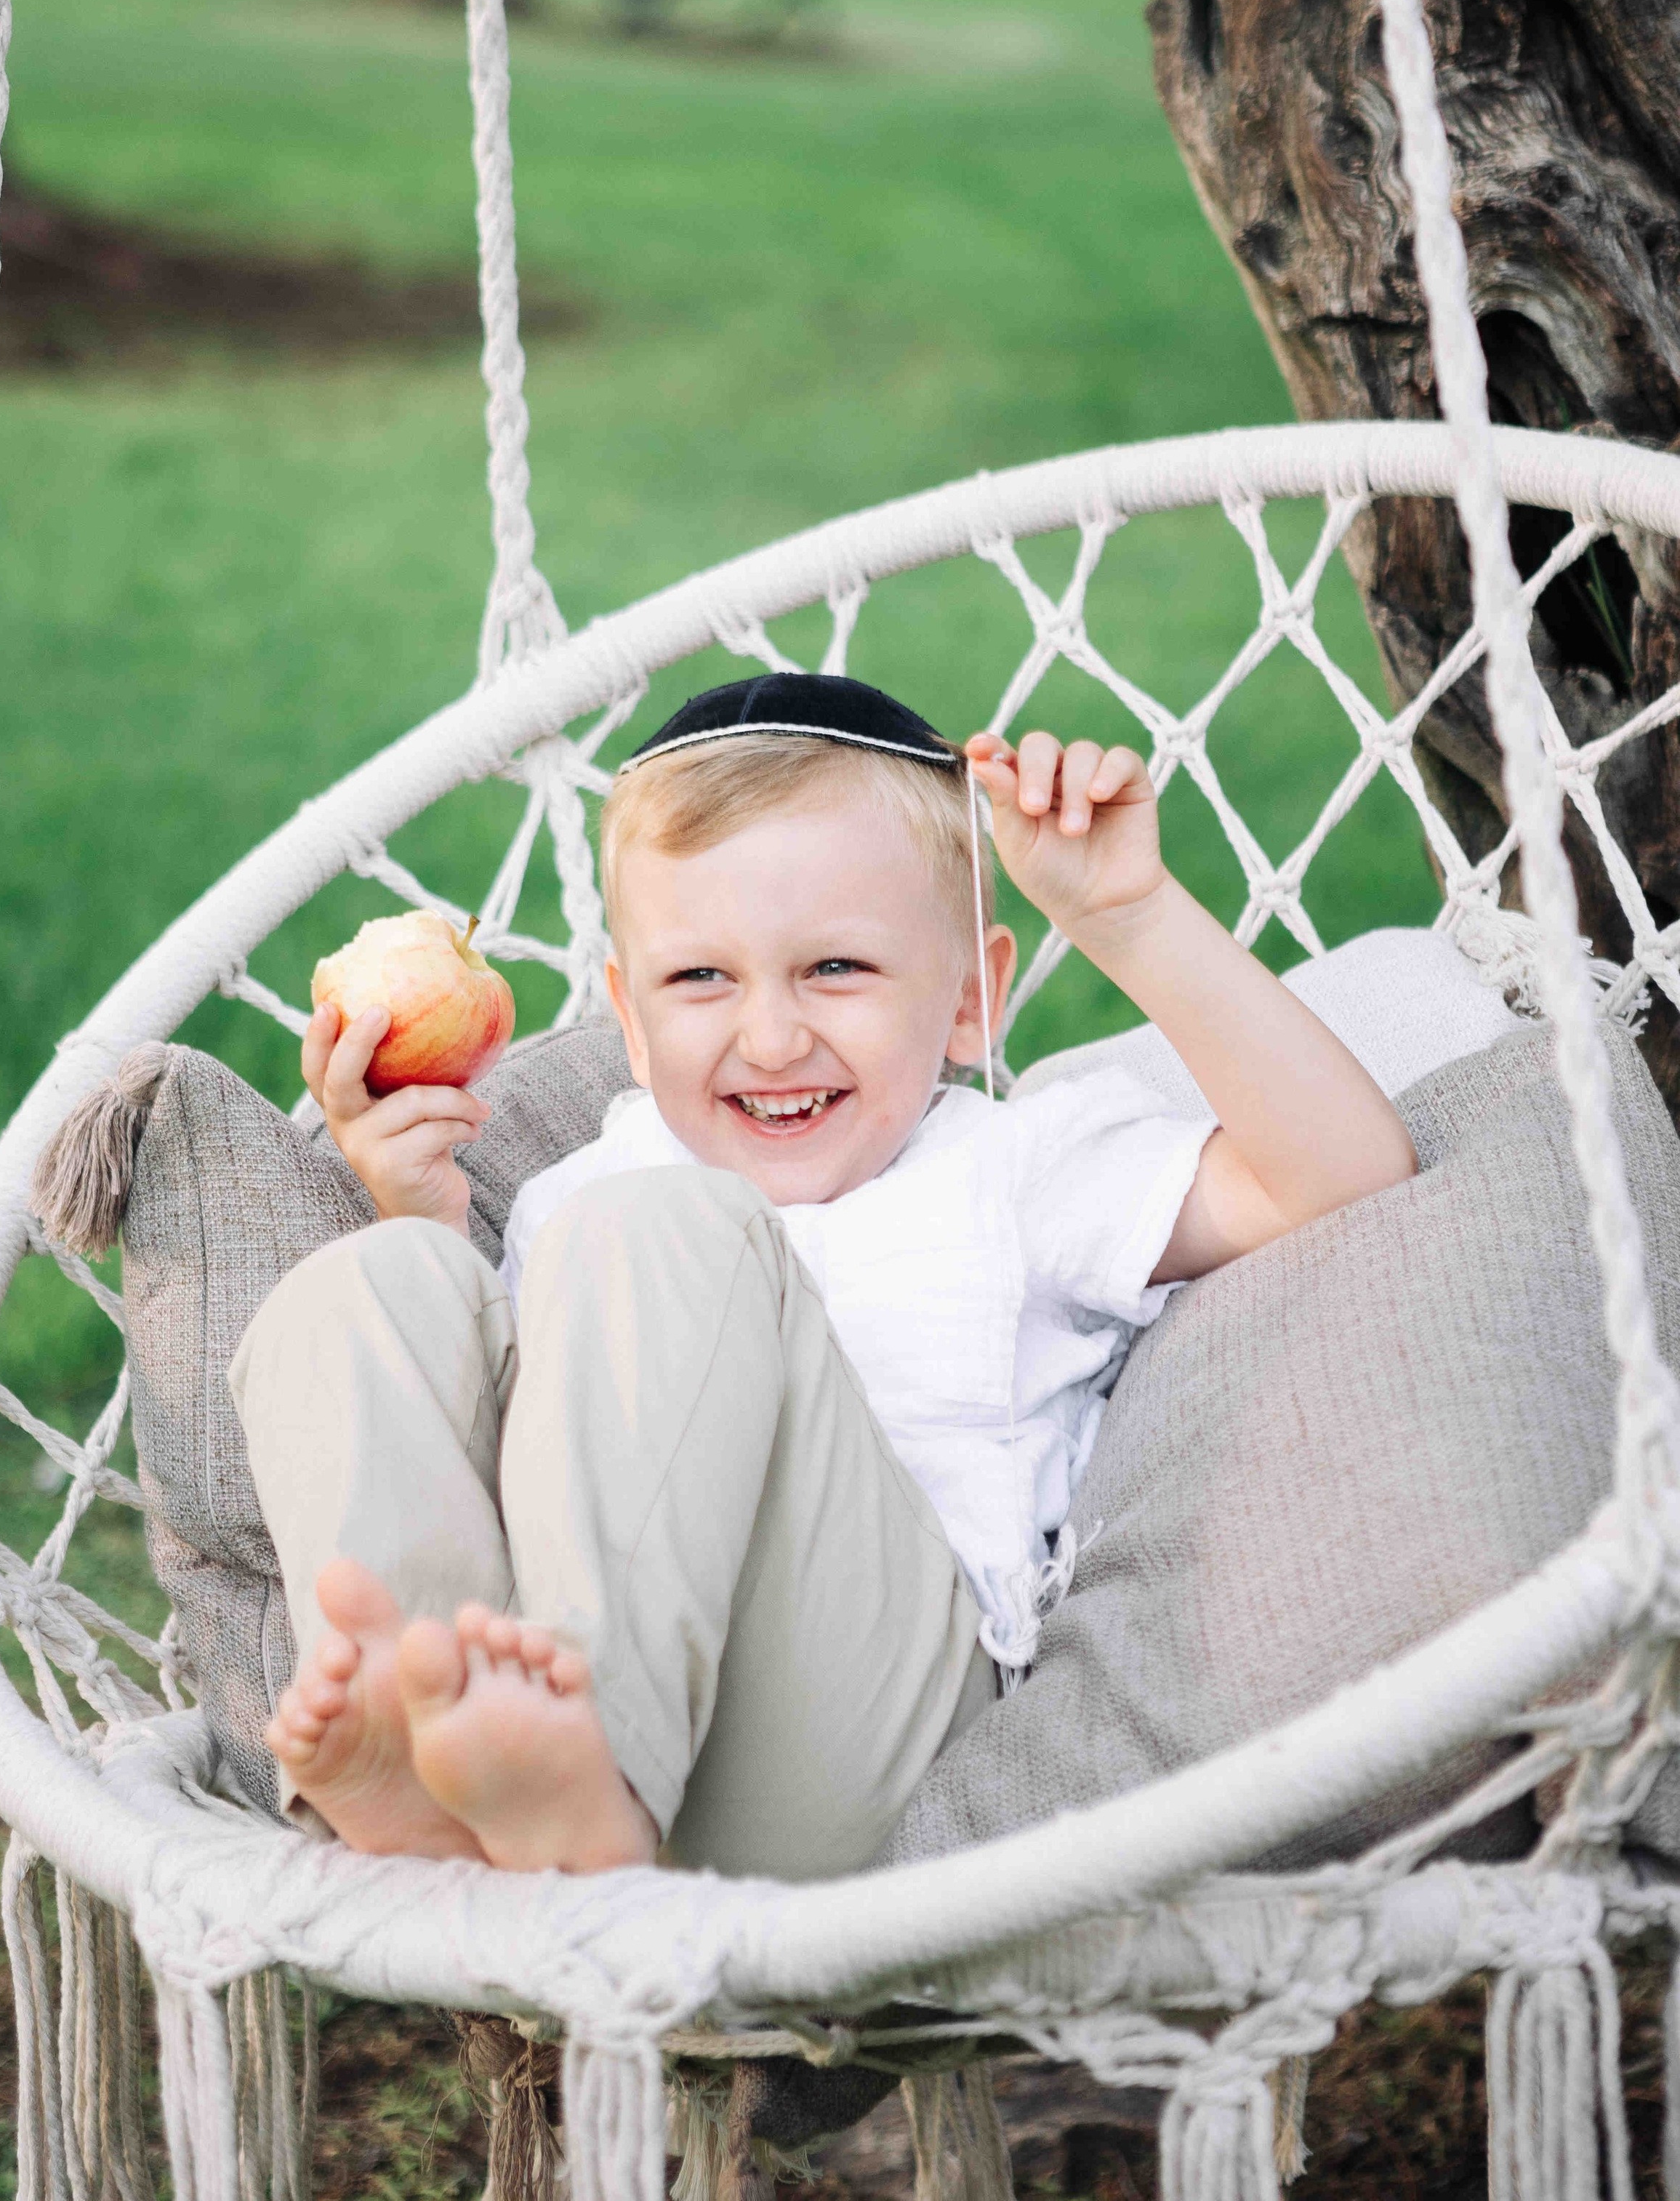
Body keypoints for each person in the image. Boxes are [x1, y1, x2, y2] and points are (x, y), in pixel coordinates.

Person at [230, 675, 1415, 1880]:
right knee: (367, 1284)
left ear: (970, 998)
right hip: (571, 1766)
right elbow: (537, 1469)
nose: (774, 1036)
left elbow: (1342, 1172)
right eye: (701, 980)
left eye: (837, 968)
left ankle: (587, 1761)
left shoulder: (1013, 1165)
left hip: (864, 1754)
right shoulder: (574, 1197)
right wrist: (422, 1220)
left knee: (660, 1228)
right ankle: (419, 1751)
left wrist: (1130, 914)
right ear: (629, 1027)